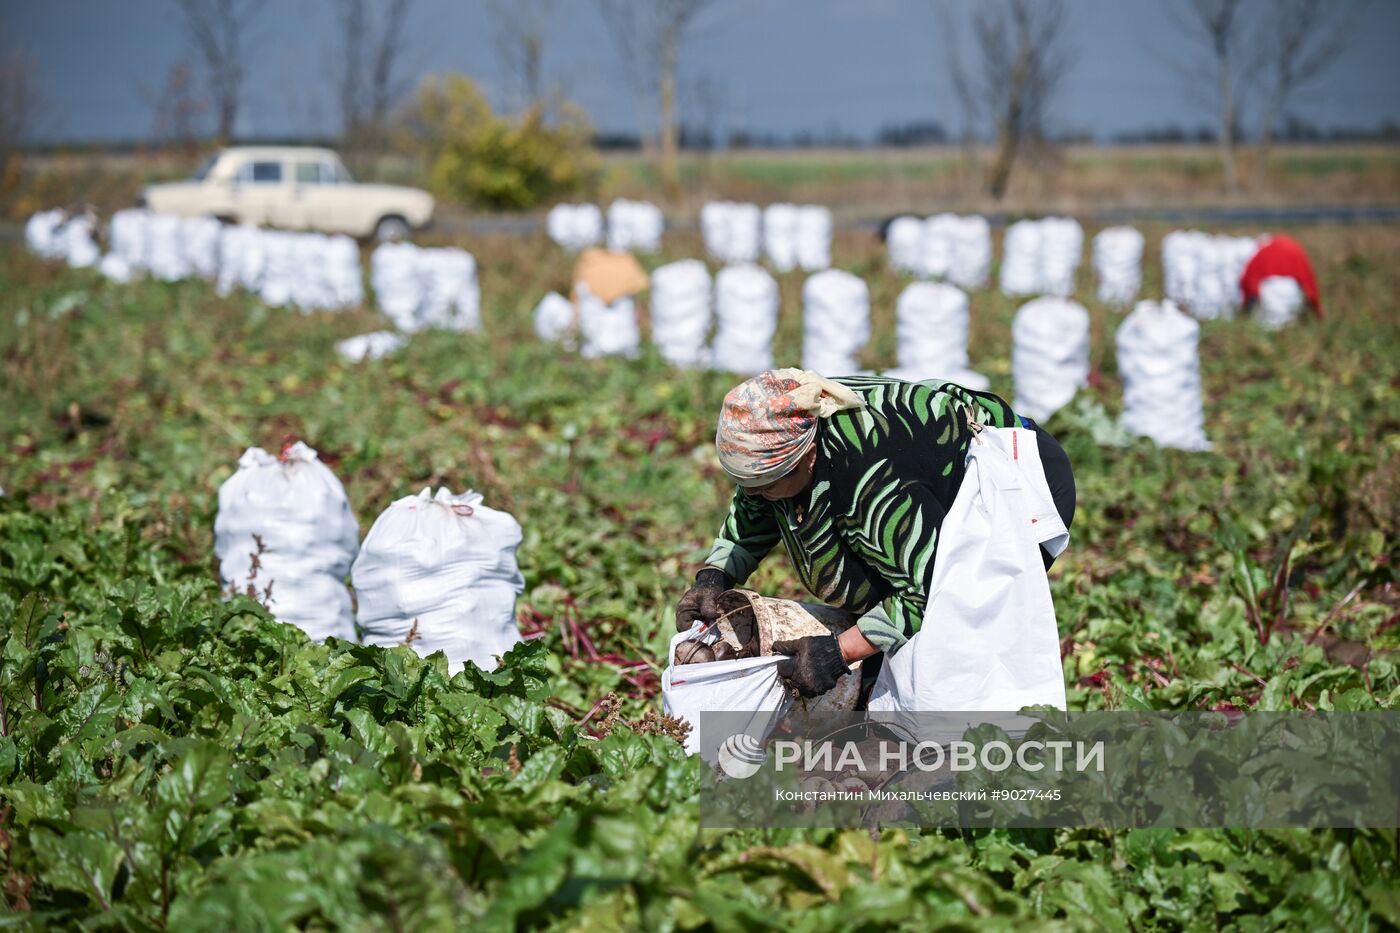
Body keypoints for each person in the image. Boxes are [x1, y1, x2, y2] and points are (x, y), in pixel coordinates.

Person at [675, 369, 1076, 699]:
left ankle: (980, 753)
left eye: (763, 484)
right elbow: (754, 507)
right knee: (888, 641)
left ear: (807, 455)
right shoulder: (783, 433)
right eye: (747, 484)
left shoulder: (871, 477)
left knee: (949, 648)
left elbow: (924, 590)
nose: (754, 495)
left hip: (1012, 487)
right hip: (907, 500)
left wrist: (838, 654)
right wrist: (716, 576)